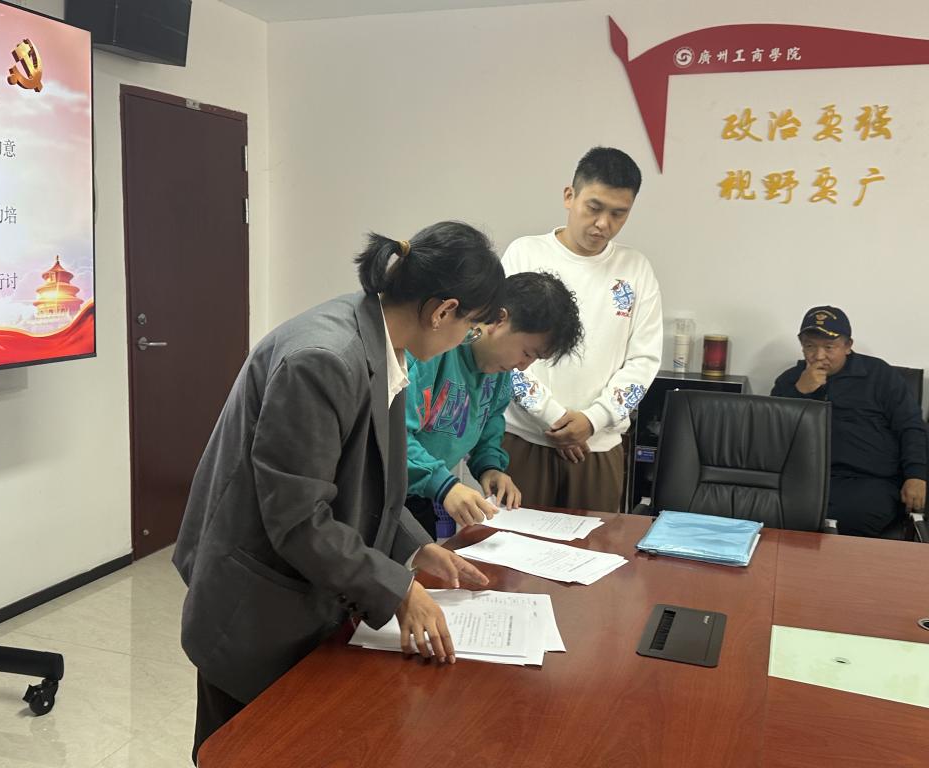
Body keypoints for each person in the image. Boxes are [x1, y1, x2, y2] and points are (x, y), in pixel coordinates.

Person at [173, 221, 503, 764]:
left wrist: (415, 549)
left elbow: (368, 478)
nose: (464, 340)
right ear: (442, 311)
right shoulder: (324, 358)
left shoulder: (383, 341)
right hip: (254, 603)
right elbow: (299, 519)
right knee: (240, 750)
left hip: (302, 592)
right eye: (470, 328)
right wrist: (400, 590)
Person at [501, 147, 663, 513]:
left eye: (618, 213)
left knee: (596, 546)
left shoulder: (635, 269)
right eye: (594, 207)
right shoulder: (525, 254)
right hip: (524, 438)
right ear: (569, 196)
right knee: (511, 545)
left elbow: (644, 361)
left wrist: (592, 420)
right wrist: (554, 417)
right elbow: (502, 348)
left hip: (597, 447)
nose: (603, 223)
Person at [405, 271, 583, 537]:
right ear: (499, 319)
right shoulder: (434, 350)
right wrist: (444, 484)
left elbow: (489, 425)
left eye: (534, 359)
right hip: (384, 492)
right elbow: (393, 436)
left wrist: (489, 468)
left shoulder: (498, 374)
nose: (523, 366)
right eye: (526, 353)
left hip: (422, 495)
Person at [771, 305, 927, 537]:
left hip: (868, 480)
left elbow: (911, 426)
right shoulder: (790, 381)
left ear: (848, 346)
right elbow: (772, 435)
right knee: (774, 514)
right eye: (810, 346)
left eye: (829, 347)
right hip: (807, 479)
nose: (819, 356)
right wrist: (799, 393)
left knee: (846, 519)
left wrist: (917, 475)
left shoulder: (879, 374)